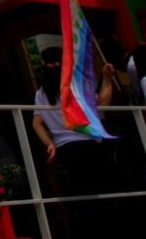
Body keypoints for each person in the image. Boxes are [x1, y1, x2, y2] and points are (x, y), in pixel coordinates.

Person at [31, 46, 119, 235]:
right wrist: (107, 78)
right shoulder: (74, 86)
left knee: (81, 198)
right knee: (106, 194)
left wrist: (50, 144)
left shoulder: (41, 94)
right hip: (88, 144)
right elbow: (103, 100)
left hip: (65, 150)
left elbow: (36, 123)